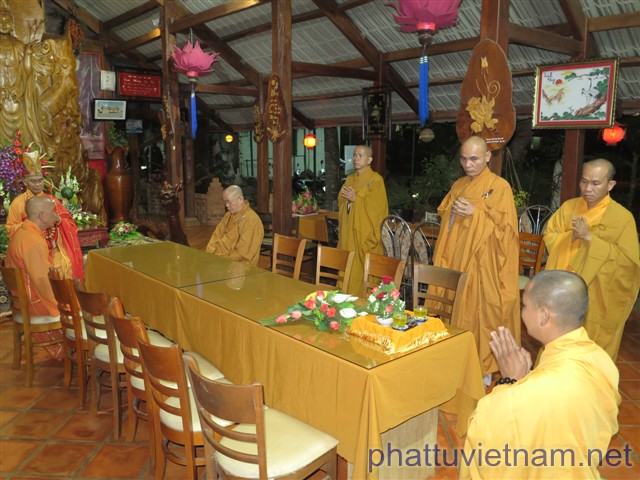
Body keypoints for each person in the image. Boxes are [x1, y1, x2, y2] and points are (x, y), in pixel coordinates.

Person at [460, 270, 620, 479]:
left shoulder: (543, 388)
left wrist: (509, 382)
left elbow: (488, 426)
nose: (522, 312)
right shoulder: (600, 358)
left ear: (544, 315)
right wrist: (525, 383)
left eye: (525, 306)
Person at [431, 136, 520, 381]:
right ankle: (455, 359)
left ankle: (482, 368)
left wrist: (476, 213)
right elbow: (445, 213)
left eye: (474, 159)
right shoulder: (459, 185)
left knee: (483, 313)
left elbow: (507, 230)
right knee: (456, 308)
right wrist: (455, 212)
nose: (468, 165)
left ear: (487, 156)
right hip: (458, 260)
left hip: (484, 265)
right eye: (463, 159)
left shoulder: (500, 187)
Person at [544, 159, 640, 360]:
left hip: (596, 296)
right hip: (564, 291)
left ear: (610, 185)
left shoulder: (622, 218)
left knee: (588, 352)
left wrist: (589, 238)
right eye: (584, 181)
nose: (588, 189)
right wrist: (571, 236)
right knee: (557, 346)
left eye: (595, 183)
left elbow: (628, 264)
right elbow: (550, 236)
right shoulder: (569, 208)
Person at [6, 152, 84, 280]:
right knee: (43, 272)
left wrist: (58, 219)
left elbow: (70, 223)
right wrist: (31, 224)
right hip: (31, 249)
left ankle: (65, 293)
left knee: (65, 265)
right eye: (33, 181)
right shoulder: (18, 203)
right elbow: (10, 230)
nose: (38, 184)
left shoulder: (52, 200)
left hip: (53, 248)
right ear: (25, 182)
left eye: (40, 180)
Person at [5, 196, 64, 361]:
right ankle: (81, 353)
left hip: (24, 300)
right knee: (82, 308)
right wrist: (65, 301)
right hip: (35, 303)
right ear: (42, 215)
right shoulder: (32, 241)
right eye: (53, 212)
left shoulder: (23, 232)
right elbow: (43, 282)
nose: (56, 216)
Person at [337, 145, 388, 295]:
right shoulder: (350, 179)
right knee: (349, 265)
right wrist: (350, 202)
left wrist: (356, 200)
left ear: (369, 160)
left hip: (365, 234)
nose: (356, 158)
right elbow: (341, 199)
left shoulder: (376, 180)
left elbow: (378, 208)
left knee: (364, 270)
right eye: (354, 155)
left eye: (360, 155)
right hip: (350, 233)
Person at [205, 185, 264, 266]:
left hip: (240, 267)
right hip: (219, 260)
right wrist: (210, 254)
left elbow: (242, 254)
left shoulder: (252, 220)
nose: (227, 205)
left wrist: (219, 260)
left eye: (229, 202)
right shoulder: (228, 215)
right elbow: (215, 237)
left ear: (240, 199)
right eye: (225, 202)